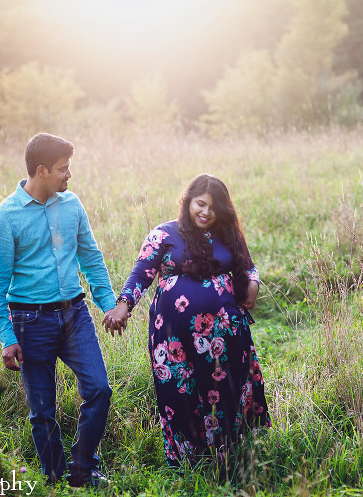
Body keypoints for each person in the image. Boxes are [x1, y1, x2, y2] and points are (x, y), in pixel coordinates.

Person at [0, 133, 125, 487]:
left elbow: (91, 259)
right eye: (63, 169)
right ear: (42, 171)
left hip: (75, 314)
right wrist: (7, 337)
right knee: (43, 410)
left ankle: (83, 468)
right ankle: (55, 476)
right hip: (30, 321)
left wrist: (109, 305)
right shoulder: (5, 218)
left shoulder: (72, 205)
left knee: (99, 389)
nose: (69, 175)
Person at [105, 173, 271, 467]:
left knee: (223, 391)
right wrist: (123, 304)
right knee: (178, 389)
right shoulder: (164, 234)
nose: (206, 212)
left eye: (214, 207)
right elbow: (142, 272)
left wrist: (253, 283)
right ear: (188, 201)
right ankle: (187, 459)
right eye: (201, 204)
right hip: (173, 337)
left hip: (224, 335)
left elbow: (248, 266)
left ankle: (227, 454)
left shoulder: (227, 235)